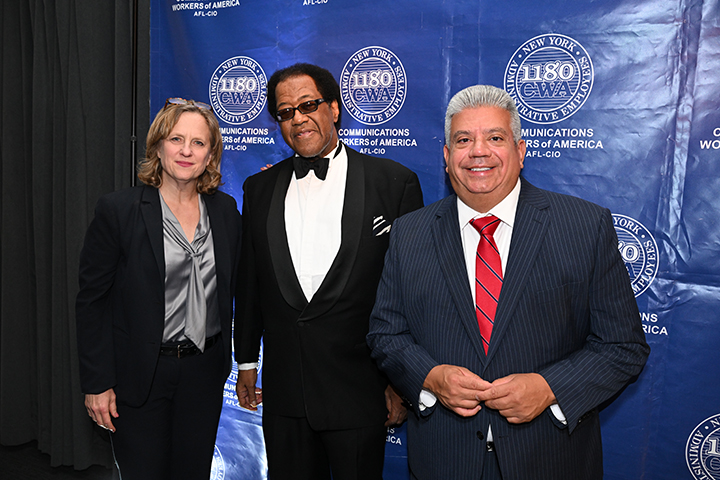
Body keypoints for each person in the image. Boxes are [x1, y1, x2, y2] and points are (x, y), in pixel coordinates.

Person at [366, 85, 650, 480]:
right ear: (447, 158)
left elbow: (623, 346)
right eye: (463, 140)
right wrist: (430, 377)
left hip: (551, 460)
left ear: (520, 151)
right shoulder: (409, 233)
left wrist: (549, 388)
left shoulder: (584, 226)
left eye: (495, 138)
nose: (478, 151)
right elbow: (386, 334)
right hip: (444, 461)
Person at [234, 63, 424, 480]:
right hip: (285, 391)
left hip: (361, 390)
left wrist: (400, 381)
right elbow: (250, 283)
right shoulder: (258, 189)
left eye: (308, 105)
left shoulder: (394, 182)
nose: (298, 118)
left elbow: (411, 294)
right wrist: (246, 361)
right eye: (286, 112)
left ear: (334, 109)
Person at [76, 98, 241, 480]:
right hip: (140, 373)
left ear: (210, 155)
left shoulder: (226, 211)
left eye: (198, 143)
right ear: (158, 146)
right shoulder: (119, 211)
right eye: (176, 139)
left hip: (203, 372)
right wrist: (98, 382)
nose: (186, 151)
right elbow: (92, 302)